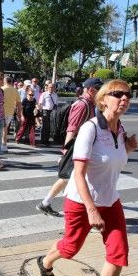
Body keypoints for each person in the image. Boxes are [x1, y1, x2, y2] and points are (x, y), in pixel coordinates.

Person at [37, 79, 138, 276]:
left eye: (128, 95)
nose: (124, 98)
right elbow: (79, 174)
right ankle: (46, 262)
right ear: (103, 99)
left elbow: (111, 160)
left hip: (110, 200)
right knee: (71, 248)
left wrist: (128, 148)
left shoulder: (120, 129)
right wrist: (91, 210)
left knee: (118, 252)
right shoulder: (90, 128)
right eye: (118, 94)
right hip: (81, 201)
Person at [37, 77, 103, 217]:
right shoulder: (82, 105)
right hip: (76, 148)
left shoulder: (90, 104)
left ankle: (46, 203)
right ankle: (83, 211)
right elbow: (71, 129)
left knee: (69, 177)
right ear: (91, 90)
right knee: (71, 177)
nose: (101, 93)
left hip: (82, 147)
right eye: (99, 90)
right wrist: (65, 153)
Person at [1, 76, 22, 152]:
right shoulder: (15, 90)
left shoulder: (2, 89)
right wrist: (19, 113)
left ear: (5, 81)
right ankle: (3, 144)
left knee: (3, 129)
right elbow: (19, 103)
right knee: (5, 128)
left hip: (1, 111)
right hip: (10, 112)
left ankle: (3, 145)